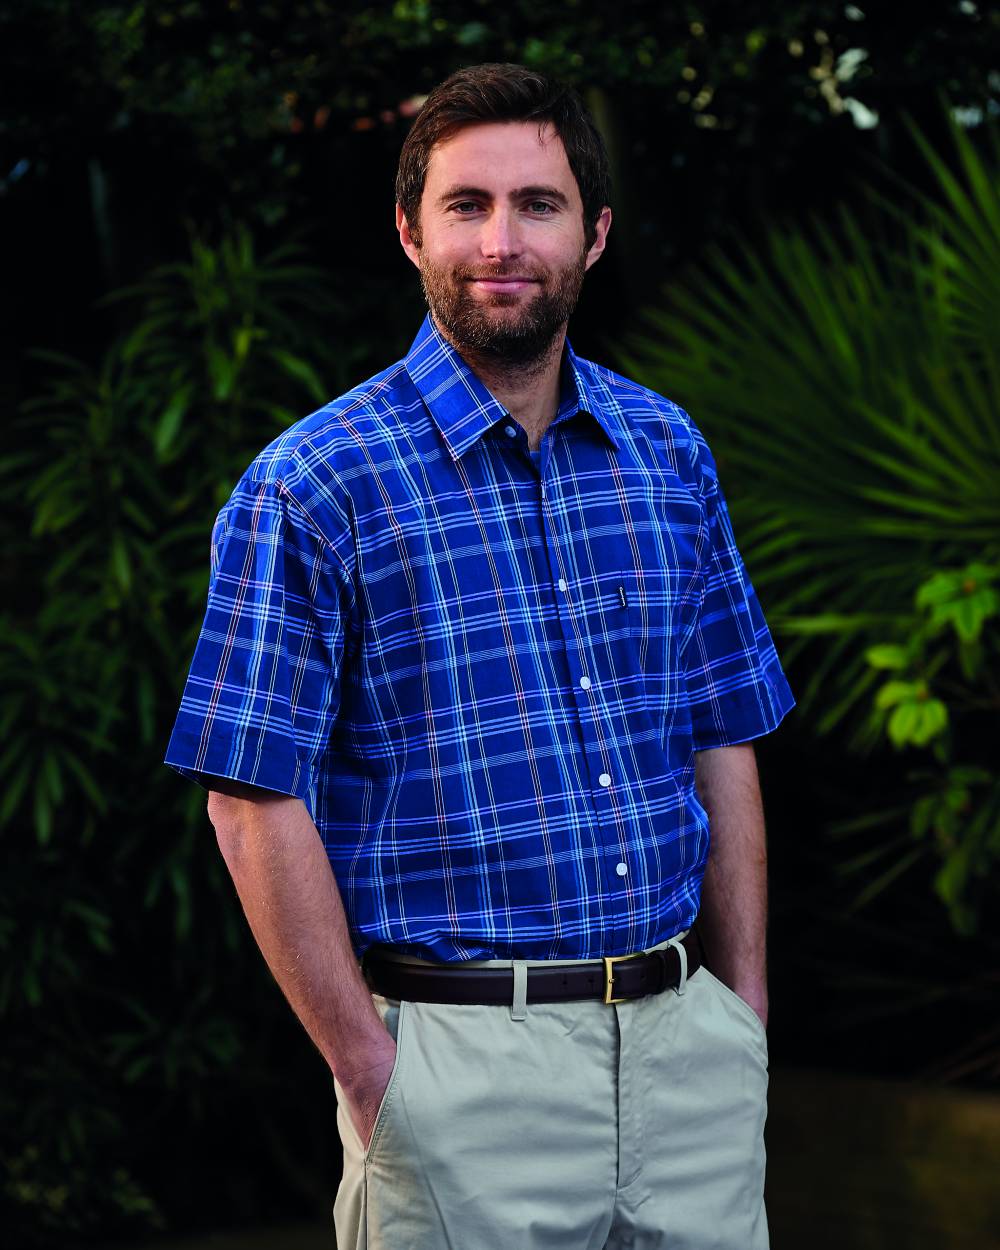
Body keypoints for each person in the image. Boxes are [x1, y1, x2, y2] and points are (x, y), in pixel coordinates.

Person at [164, 61, 795, 1250]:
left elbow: (724, 729)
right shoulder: (313, 484)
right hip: (458, 1071)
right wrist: (371, 1071)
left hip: (687, 1057)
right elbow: (250, 801)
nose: (501, 239)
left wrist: (742, 1009)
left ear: (595, 233)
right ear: (410, 230)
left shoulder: (666, 451)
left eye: (538, 204)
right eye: (466, 205)